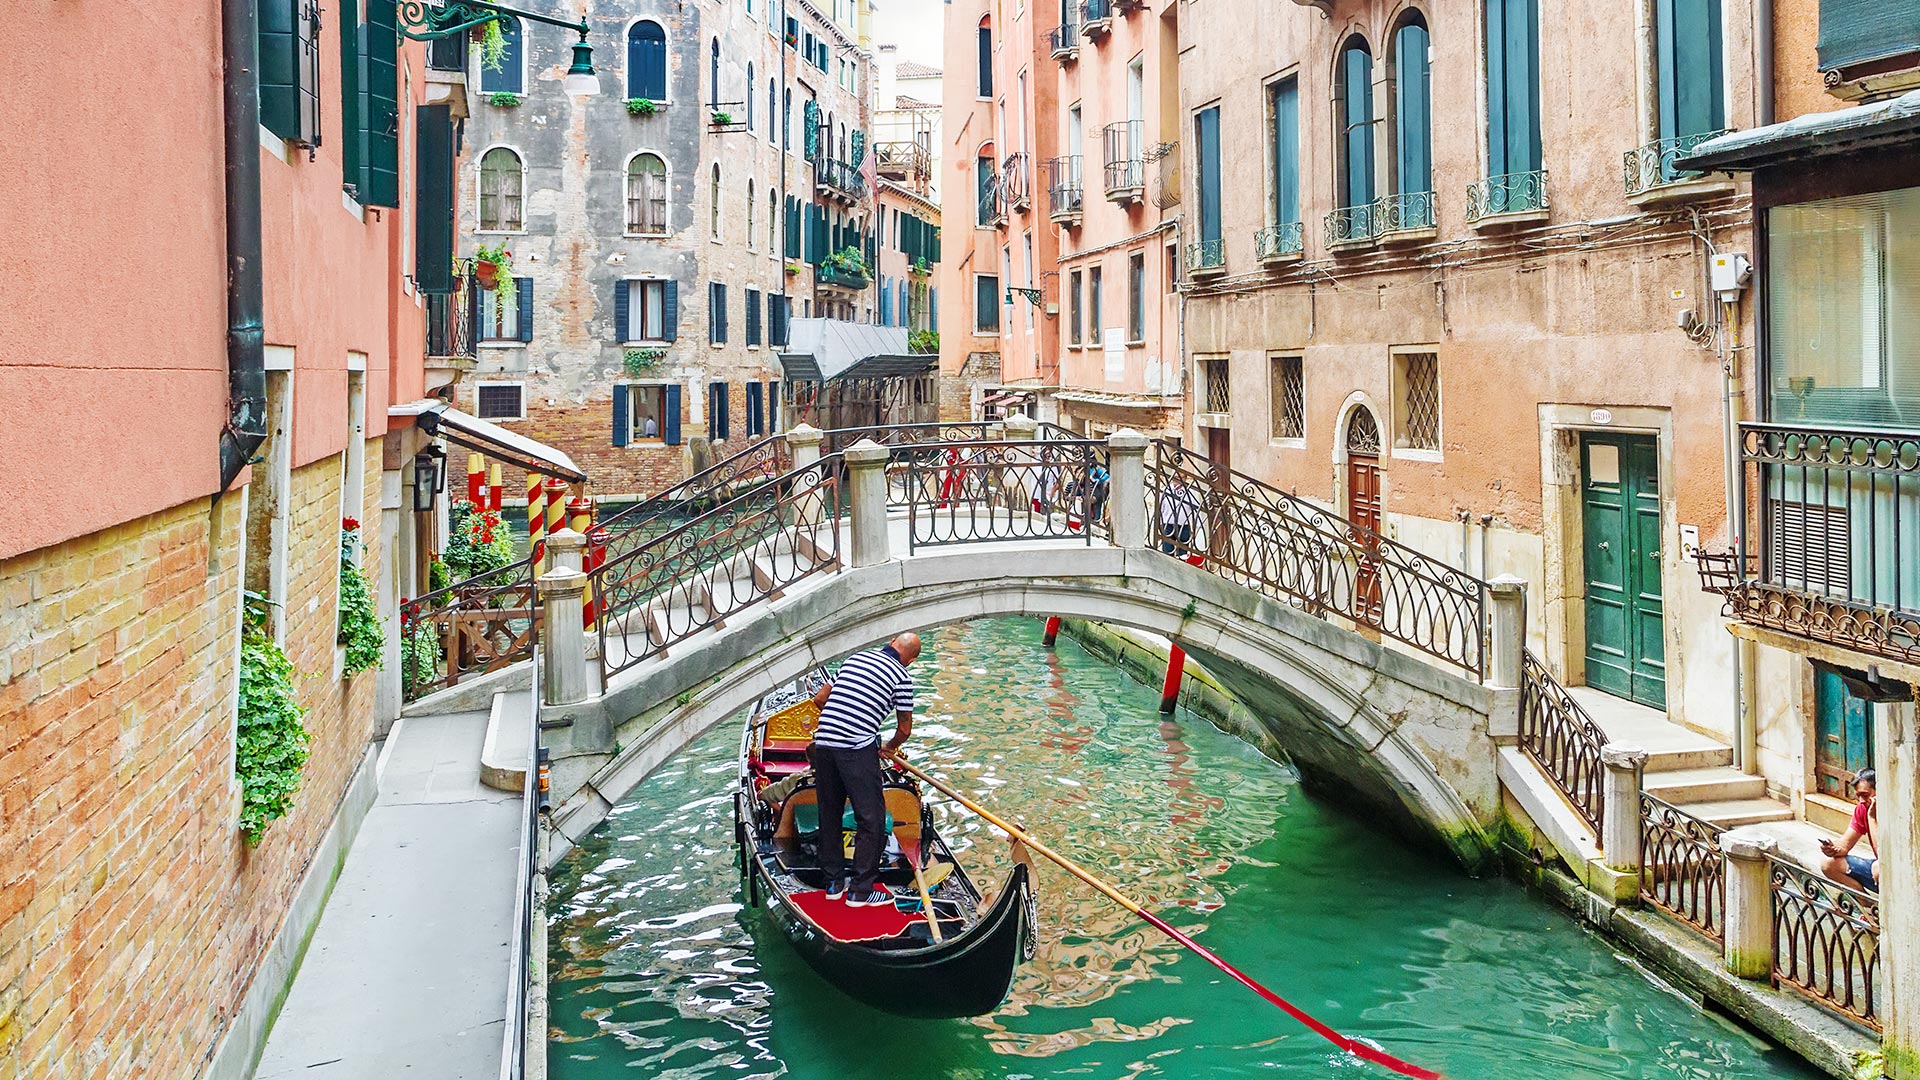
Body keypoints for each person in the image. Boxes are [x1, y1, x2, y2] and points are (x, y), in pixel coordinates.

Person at [810, 633, 921, 907]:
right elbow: (904, 729)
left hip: (823, 743)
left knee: (830, 812)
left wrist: (841, 720)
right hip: (855, 748)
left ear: (893, 641)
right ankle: (860, 891)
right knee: (871, 818)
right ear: (912, 660)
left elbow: (820, 699)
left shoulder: (855, 658)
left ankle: (833, 884)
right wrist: (888, 746)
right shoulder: (902, 677)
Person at [1820, 768, 1878, 893]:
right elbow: (1845, 844)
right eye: (1858, 796)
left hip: (1902, 871)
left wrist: (1872, 818)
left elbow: (1884, 856)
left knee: (1879, 869)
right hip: (1879, 869)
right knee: (1828, 864)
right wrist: (1832, 848)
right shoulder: (1862, 808)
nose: (1861, 801)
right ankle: (1869, 909)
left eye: (1865, 795)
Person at [1158, 474, 1198, 555]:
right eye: (1175, 478)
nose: (1177, 480)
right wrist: (1158, 525)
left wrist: (1197, 527)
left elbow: (1196, 510)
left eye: (1181, 478)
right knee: (1167, 551)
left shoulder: (1189, 492)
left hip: (1184, 526)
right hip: (1168, 525)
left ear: (1185, 479)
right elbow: (1160, 509)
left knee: (1183, 553)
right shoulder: (1166, 490)